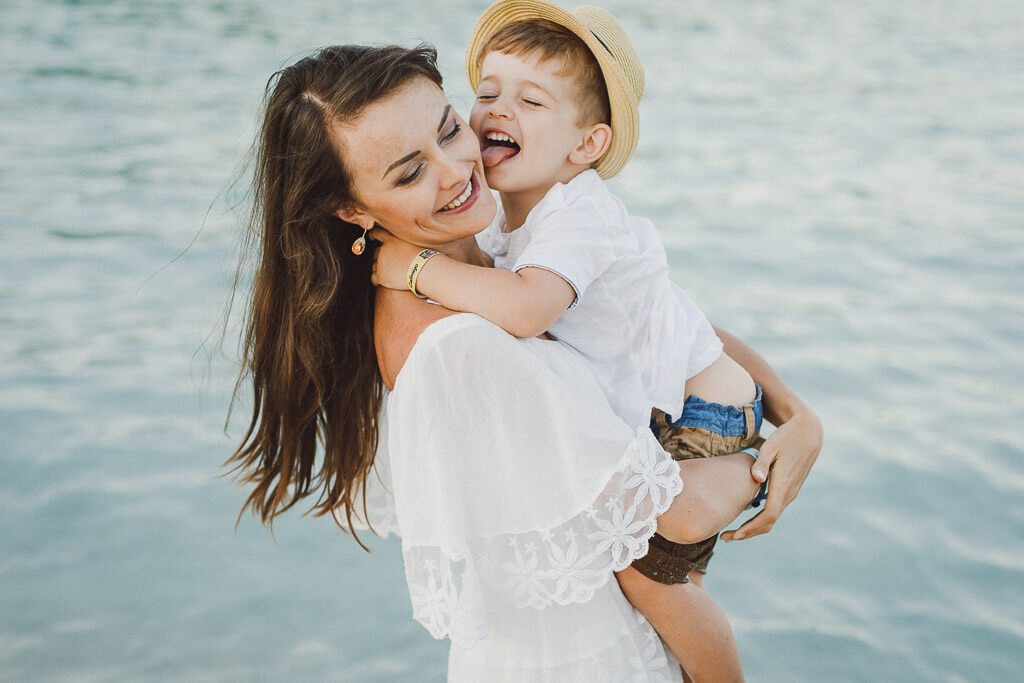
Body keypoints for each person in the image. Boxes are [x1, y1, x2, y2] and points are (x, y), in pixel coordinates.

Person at [225, 42, 822, 682]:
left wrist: (795, 414)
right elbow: (655, 517)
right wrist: (764, 463)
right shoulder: (457, 346)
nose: (456, 171)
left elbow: (660, 320)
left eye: (450, 130)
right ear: (352, 209)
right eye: (408, 174)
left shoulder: (492, 249)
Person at [368, 4, 778, 679]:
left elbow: (527, 310)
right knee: (668, 576)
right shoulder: (508, 218)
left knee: (654, 579)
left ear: (586, 146)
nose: (499, 110)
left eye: (532, 100)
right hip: (668, 407)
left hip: (702, 419)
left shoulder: (578, 215)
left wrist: (417, 268)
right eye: (488, 92)